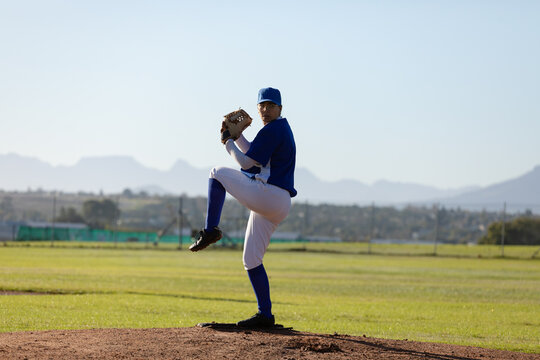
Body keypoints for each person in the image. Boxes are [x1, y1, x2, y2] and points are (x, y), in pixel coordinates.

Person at [189, 87, 297, 328]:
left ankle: (210, 230)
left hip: (269, 195)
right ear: (257, 107)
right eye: (262, 105)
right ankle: (265, 315)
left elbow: (247, 164)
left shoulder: (274, 128)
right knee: (251, 259)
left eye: (271, 105)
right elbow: (254, 155)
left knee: (216, 173)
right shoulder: (278, 129)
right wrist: (238, 138)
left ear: (280, 108)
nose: (265, 110)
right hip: (276, 202)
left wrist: (228, 142)